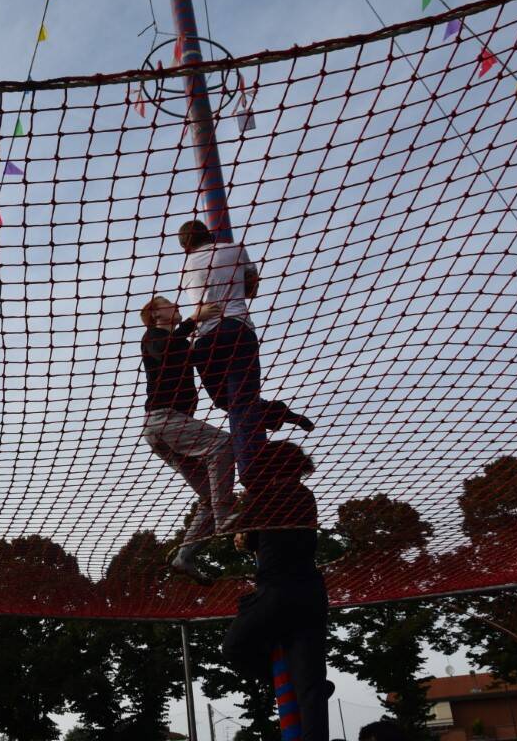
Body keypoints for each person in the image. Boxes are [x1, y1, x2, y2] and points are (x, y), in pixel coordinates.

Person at [222, 440, 331, 741]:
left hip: (277, 592)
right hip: (311, 593)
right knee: (311, 688)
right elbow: (268, 536)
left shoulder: (266, 494)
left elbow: (240, 535)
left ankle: (280, 681)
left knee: (234, 648)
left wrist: (245, 506)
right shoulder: (305, 496)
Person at [140, 294, 236, 584]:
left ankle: (185, 556)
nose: (177, 306)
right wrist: (195, 319)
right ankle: (223, 518)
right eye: (169, 304)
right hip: (164, 420)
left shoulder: (180, 344)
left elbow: (191, 358)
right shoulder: (153, 336)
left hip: (168, 428)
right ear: (156, 314)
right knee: (224, 443)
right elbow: (166, 351)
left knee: (209, 495)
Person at [178, 219, 268, 485]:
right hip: (238, 330)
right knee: (243, 404)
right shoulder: (236, 249)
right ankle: (252, 469)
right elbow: (252, 289)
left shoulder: (186, 266)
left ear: (186, 246)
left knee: (227, 403)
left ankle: (269, 414)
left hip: (205, 342)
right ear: (209, 233)